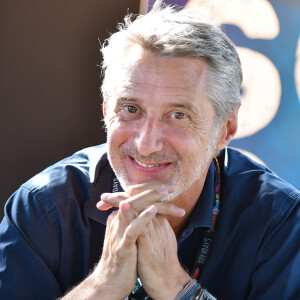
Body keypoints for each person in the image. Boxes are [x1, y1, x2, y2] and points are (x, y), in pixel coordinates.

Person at [1, 1, 300, 299]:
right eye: (131, 109)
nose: (146, 143)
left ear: (227, 128)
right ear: (106, 112)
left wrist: (176, 287)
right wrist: (102, 286)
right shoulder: (44, 208)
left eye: (178, 115)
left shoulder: (279, 221)